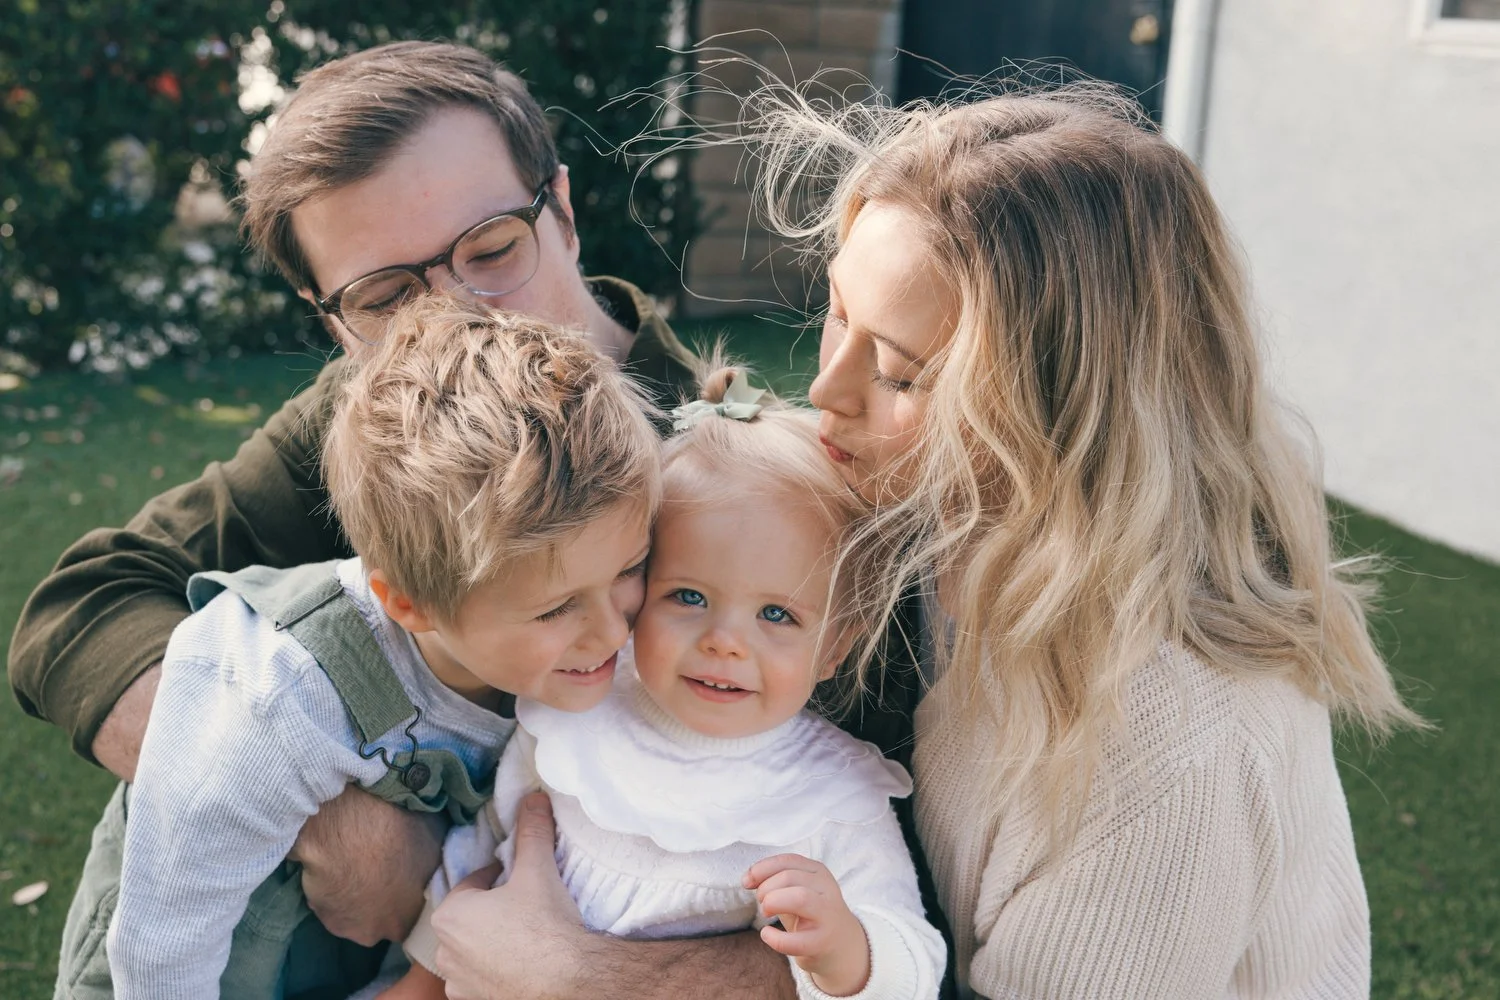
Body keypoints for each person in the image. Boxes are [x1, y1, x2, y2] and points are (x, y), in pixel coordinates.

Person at [423, 86, 1422, 998]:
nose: (823, 393)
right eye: (838, 315)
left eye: (898, 372)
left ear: (1058, 418)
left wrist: (580, 977)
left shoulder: (1170, 743)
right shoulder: (929, 509)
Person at [13, 41, 948, 1000]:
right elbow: (83, 609)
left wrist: (585, 975)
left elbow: (899, 901)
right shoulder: (387, 424)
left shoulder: (748, 487)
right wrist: (332, 825)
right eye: (384, 297)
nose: (459, 317)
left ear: (565, 212)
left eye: (494, 248)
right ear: (330, 319)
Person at [84, 298, 661, 998]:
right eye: (556, 607)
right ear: (409, 606)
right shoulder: (279, 695)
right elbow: (162, 945)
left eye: (630, 569)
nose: (612, 630)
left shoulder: (558, 645)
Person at [379, 369, 946, 1000]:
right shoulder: (584, 710)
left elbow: (915, 956)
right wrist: (424, 977)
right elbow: (483, 851)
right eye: (689, 596)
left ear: (838, 645)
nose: (724, 641)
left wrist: (847, 952)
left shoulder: (833, 795)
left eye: (777, 615)